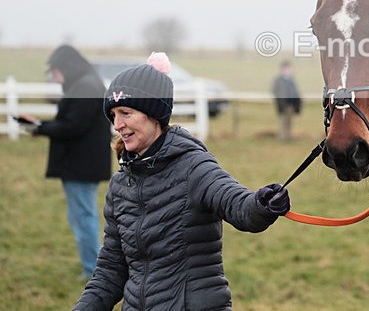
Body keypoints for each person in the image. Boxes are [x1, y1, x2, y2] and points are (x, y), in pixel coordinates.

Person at [74, 52, 290, 310]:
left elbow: (239, 206)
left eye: (125, 113)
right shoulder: (120, 185)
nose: (118, 124)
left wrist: (262, 203)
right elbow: (110, 269)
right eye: (113, 115)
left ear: (153, 114)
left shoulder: (194, 167)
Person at [19, 44, 111, 280]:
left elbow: (73, 127)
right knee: (83, 216)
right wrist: (40, 124)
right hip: (81, 164)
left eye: (56, 70)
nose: (54, 76)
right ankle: (94, 267)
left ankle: (94, 270)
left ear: (67, 67)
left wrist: (39, 127)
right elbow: (73, 122)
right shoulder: (85, 84)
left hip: (81, 166)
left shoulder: (85, 87)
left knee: (84, 218)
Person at [271, 60, 302, 140]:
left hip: (291, 104)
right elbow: (274, 90)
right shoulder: (278, 80)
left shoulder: (291, 80)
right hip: (283, 104)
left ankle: (288, 136)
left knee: (289, 121)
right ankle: (282, 136)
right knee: (283, 121)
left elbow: (295, 91)